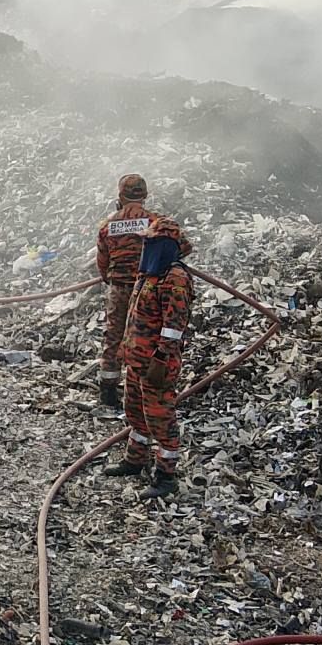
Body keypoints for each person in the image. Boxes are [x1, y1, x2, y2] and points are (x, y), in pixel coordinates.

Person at [108, 214, 194, 499]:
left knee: (160, 418)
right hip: (136, 358)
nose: (147, 247)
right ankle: (135, 460)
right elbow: (134, 317)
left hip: (157, 363)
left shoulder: (176, 279)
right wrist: (125, 348)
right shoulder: (147, 275)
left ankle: (166, 476)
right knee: (134, 411)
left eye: (153, 243)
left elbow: (174, 326)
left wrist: (161, 359)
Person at [94, 174, 154, 411]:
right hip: (147, 289)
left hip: (119, 289)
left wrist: (113, 279)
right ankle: (140, 392)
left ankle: (108, 392)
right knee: (146, 335)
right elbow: (179, 249)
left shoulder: (108, 226)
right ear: (145, 195)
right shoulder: (155, 222)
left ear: (120, 195)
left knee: (114, 336)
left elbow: (102, 264)